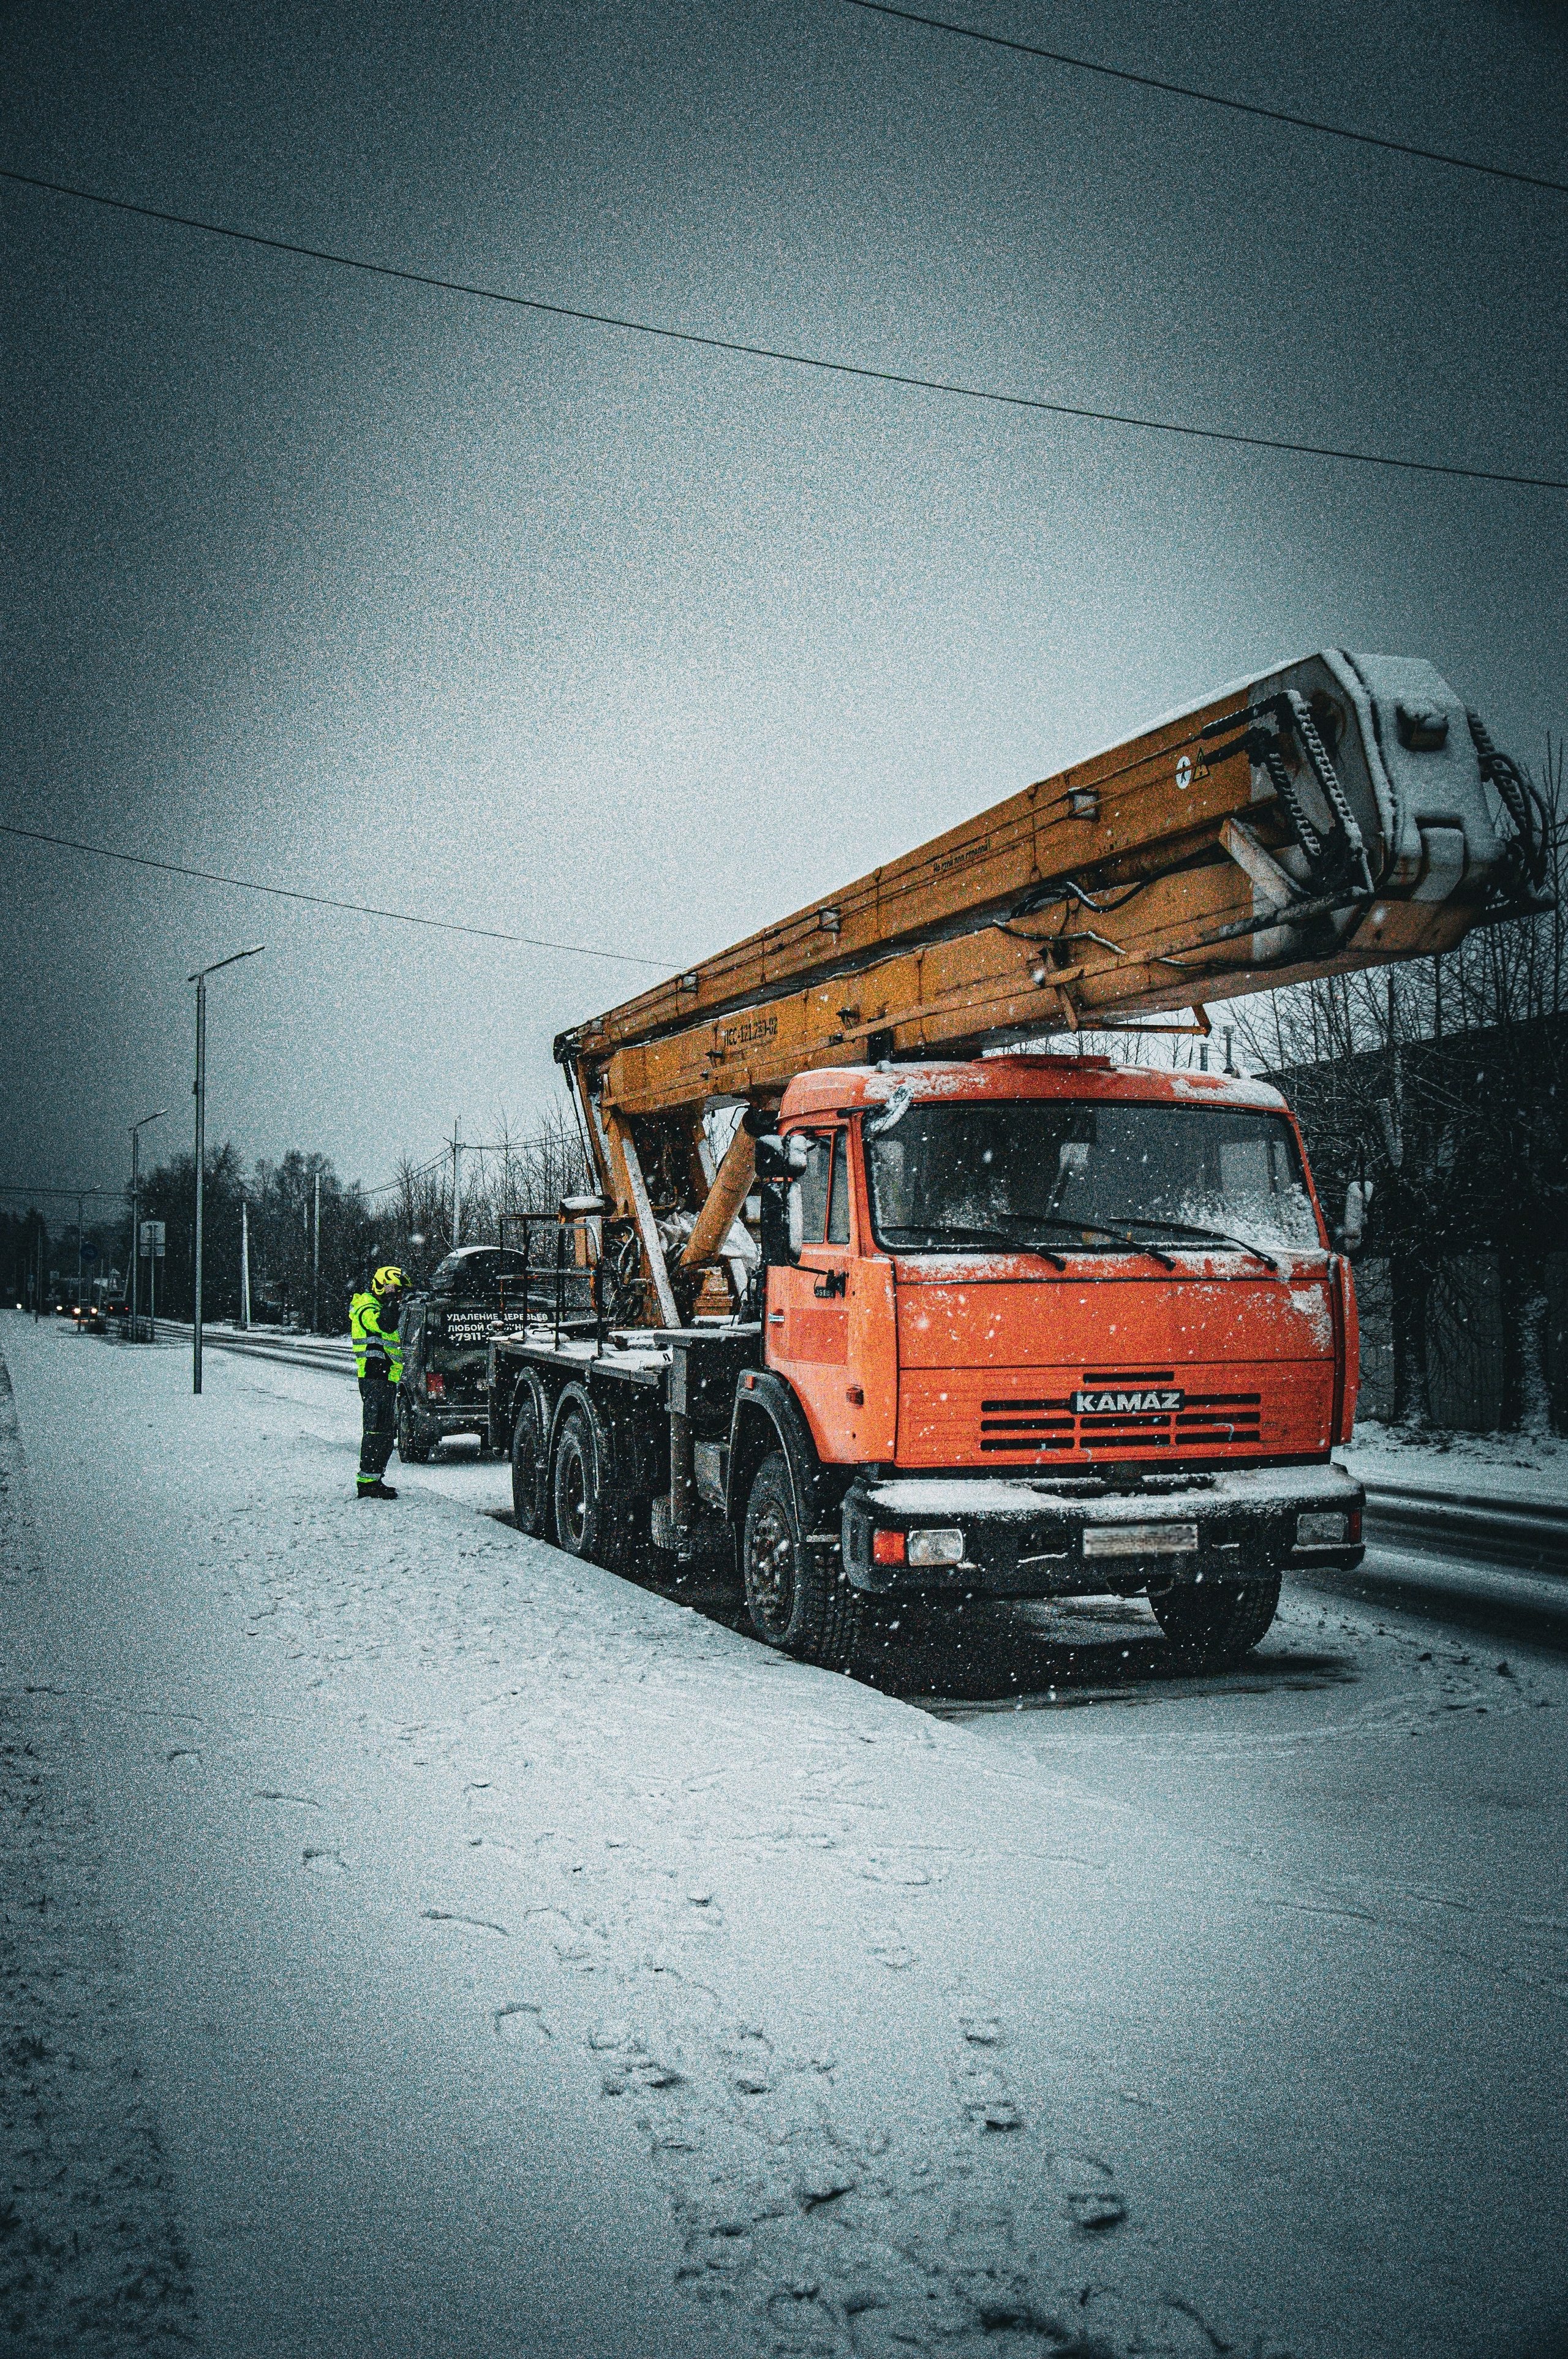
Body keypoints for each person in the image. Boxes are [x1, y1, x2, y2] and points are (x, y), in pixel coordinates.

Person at [350, 1264, 406, 1499]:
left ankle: (374, 1478)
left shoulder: (378, 1307)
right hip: (375, 1377)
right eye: (396, 1290)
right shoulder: (367, 1308)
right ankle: (367, 1483)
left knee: (384, 1432)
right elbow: (387, 1324)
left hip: (384, 1378)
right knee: (375, 1431)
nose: (399, 1296)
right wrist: (391, 1298)